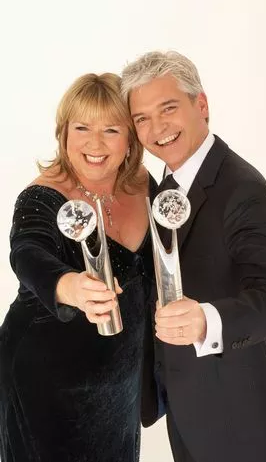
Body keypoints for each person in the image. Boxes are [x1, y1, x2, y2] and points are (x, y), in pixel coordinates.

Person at [121, 51, 266, 462]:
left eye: (168, 108)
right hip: (185, 407)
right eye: (142, 118)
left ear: (201, 105)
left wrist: (208, 320)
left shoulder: (243, 189)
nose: (157, 128)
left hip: (236, 419)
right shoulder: (158, 185)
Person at [0, 72, 157, 462]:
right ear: (63, 133)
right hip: (46, 381)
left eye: (111, 129)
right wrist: (68, 285)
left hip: (118, 383)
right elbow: (26, 251)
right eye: (81, 127)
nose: (94, 143)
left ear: (130, 138)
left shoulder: (141, 183)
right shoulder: (43, 195)